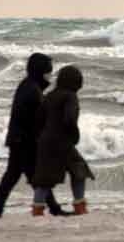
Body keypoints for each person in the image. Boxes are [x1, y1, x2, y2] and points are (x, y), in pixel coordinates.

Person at [0, 52, 67, 217]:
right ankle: (54, 209)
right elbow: (38, 120)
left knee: (18, 177)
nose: (50, 75)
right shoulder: (33, 90)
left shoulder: (28, 85)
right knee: (35, 177)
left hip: (19, 139)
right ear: (41, 72)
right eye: (48, 71)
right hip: (24, 141)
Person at [32, 65, 95, 216]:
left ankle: (37, 209)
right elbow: (69, 119)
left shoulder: (49, 96)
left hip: (45, 142)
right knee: (79, 170)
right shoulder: (70, 96)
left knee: (45, 178)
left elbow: (38, 121)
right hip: (62, 142)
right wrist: (75, 135)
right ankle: (80, 205)